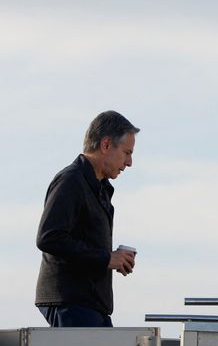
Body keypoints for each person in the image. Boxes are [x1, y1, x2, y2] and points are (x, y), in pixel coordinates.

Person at [35, 111, 140, 327]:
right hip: (71, 303)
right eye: (127, 152)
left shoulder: (97, 187)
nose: (129, 162)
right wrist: (106, 258)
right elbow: (48, 237)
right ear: (106, 144)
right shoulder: (71, 180)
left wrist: (111, 258)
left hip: (89, 305)